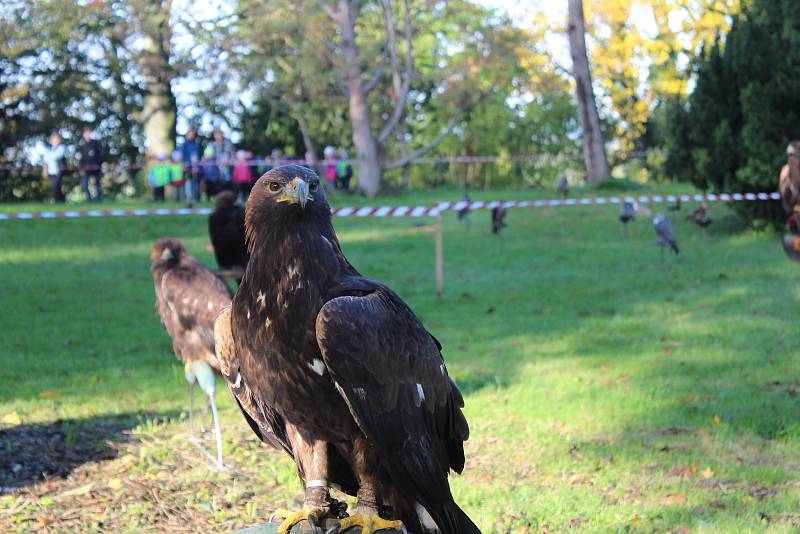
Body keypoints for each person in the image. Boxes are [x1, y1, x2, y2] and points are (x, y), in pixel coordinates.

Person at [78, 126, 104, 202]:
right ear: (84, 134)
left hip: (96, 168)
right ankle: (89, 200)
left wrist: (99, 164)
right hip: (86, 168)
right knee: (85, 185)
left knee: (98, 185)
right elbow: (81, 158)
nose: (87, 135)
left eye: (89, 133)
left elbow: (101, 155)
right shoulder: (82, 145)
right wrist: (81, 168)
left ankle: (98, 199)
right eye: (86, 133)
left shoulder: (96, 143)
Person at [42, 132, 67, 203]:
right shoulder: (49, 149)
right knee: (55, 188)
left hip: (59, 171)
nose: (55, 141)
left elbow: (57, 156)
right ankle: (60, 202)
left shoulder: (62, 147)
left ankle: (59, 202)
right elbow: (45, 159)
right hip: (51, 171)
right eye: (53, 139)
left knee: (57, 187)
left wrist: (49, 156)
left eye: (56, 139)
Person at [179, 128, 202, 207]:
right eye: (189, 134)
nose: (191, 136)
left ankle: (195, 197)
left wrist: (197, 165)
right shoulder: (184, 145)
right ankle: (189, 197)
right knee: (188, 182)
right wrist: (183, 165)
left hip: (195, 166)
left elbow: (199, 155)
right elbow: (181, 156)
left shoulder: (197, 144)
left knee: (195, 183)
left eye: (192, 134)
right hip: (187, 166)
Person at [780, 141, 800, 214]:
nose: (791, 159)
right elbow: (785, 196)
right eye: (790, 156)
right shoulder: (785, 171)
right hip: (793, 209)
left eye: (794, 156)